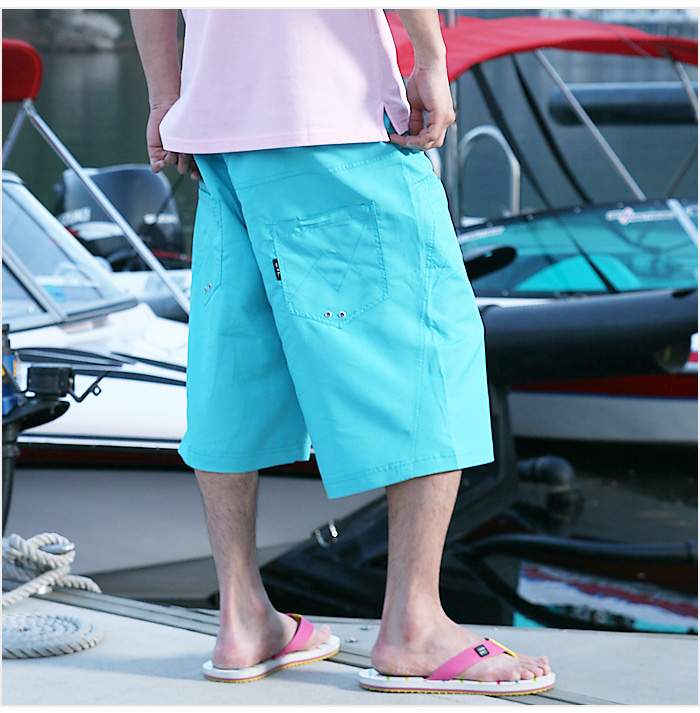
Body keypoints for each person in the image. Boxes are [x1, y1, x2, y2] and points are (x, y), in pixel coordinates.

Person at [130, 8, 553, 695]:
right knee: (432, 345)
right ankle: (414, 626)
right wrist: (430, 61)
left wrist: (163, 98)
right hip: (332, 112)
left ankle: (243, 618)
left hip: (217, 130)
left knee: (232, 365)